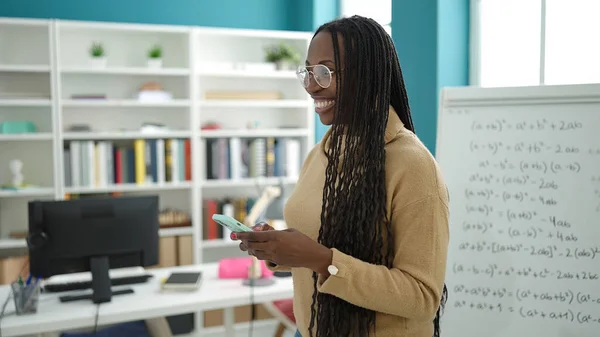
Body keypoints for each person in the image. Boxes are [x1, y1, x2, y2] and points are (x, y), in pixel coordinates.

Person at [232, 15, 449, 337]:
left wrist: (321, 260)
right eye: (307, 71)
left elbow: (422, 297)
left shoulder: (413, 165)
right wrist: (279, 248)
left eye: (324, 72)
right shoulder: (323, 153)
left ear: (369, 76)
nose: (310, 85)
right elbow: (325, 246)